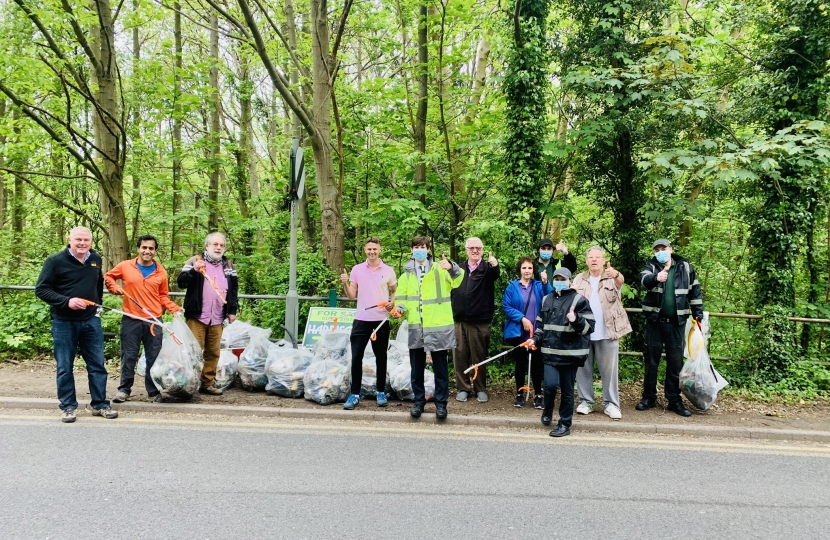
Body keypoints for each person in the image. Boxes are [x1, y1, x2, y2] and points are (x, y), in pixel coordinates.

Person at [34, 226, 118, 423]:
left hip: (90, 321)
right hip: (63, 322)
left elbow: (97, 286)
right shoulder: (55, 261)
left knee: (97, 364)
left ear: (91, 241)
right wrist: (66, 301)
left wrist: (98, 310)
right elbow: (42, 290)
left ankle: (99, 404)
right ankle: (68, 407)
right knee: (65, 366)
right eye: (78, 239)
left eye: (86, 240)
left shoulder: (95, 259)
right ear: (69, 240)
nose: (82, 243)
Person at [105, 235, 183, 404]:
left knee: (153, 357)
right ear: (138, 249)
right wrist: (114, 287)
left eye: (151, 248)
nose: (147, 251)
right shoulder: (125, 266)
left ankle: (153, 392)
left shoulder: (160, 271)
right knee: (129, 356)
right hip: (131, 318)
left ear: (155, 251)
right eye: (144, 248)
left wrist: (174, 308)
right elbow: (109, 277)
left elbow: (163, 296)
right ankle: (124, 390)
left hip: (154, 321)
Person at [394, 236, 464, 420]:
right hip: (416, 328)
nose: (419, 250)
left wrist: (452, 267)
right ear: (411, 250)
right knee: (416, 369)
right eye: (416, 247)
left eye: (423, 247)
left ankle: (441, 405)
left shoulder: (439, 269)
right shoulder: (406, 275)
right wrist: (398, 310)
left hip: (438, 327)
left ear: (428, 249)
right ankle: (418, 403)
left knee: (440, 369)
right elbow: (401, 300)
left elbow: (458, 280)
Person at [522, 267, 594, 437]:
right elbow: (541, 326)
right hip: (550, 353)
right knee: (550, 386)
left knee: (567, 390)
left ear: (570, 281)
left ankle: (564, 423)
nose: (559, 282)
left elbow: (589, 328)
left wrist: (576, 319)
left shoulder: (579, 300)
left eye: (563, 279)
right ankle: (547, 411)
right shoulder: (546, 299)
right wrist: (534, 339)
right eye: (557, 279)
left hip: (570, 355)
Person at [637, 239, 704, 417]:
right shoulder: (651, 266)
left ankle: (674, 400)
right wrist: (655, 278)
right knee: (651, 362)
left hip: (677, 323)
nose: (660, 252)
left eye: (663, 248)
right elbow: (643, 280)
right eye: (657, 249)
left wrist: (698, 315)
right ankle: (648, 398)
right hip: (654, 322)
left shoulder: (685, 267)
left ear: (671, 250)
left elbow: (695, 291)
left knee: (675, 364)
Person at [571, 246, 631, 420]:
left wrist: (617, 274)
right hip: (583, 333)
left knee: (609, 372)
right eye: (591, 257)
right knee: (582, 369)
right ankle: (585, 401)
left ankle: (611, 404)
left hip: (608, 332)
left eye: (598, 257)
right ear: (586, 260)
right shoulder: (579, 279)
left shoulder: (611, 277)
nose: (594, 260)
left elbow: (620, 282)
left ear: (604, 260)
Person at [177, 232, 239, 396]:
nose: (218, 248)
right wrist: (193, 272)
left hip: (218, 317)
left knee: (213, 352)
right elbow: (181, 282)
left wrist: (232, 311)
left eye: (221, 245)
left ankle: (207, 383)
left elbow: (233, 290)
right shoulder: (195, 261)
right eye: (215, 245)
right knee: (193, 352)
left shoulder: (228, 265)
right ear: (207, 246)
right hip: (197, 315)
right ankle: (189, 383)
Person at [340, 237, 398, 409]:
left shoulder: (388, 270)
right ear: (365, 250)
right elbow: (351, 295)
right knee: (356, 357)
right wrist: (344, 283)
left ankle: (381, 391)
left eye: (375, 249)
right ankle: (355, 394)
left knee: (381, 357)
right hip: (361, 320)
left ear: (380, 250)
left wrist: (392, 302)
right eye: (369, 249)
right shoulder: (357, 269)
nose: (372, 252)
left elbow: (395, 291)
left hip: (380, 320)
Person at [450, 237, 500, 403]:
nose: (475, 251)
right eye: (471, 248)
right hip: (458, 320)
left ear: (483, 250)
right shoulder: (459, 269)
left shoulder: (487, 269)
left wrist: (495, 264)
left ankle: (480, 388)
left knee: (479, 357)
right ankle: (463, 388)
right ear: (466, 250)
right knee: (460, 355)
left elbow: (495, 274)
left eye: (478, 248)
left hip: (480, 321)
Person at [502, 256, 550, 409]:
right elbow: (507, 306)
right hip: (520, 332)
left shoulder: (538, 285)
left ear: (533, 269)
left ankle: (537, 394)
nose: (527, 271)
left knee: (537, 364)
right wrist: (522, 318)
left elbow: (549, 298)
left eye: (530, 268)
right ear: (520, 270)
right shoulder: (512, 287)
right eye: (524, 268)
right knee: (520, 363)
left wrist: (545, 282)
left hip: (536, 332)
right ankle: (519, 393)